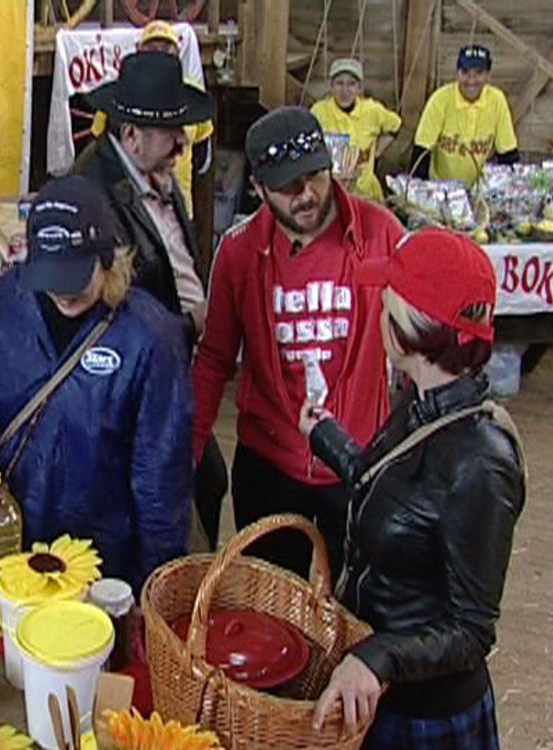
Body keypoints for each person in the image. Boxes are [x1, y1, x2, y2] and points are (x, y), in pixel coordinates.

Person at [304, 227, 526, 750]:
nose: (378, 308)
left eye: (388, 299)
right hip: (380, 683)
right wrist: (324, 436)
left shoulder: (481, 461)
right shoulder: (420, 404)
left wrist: (377, 657)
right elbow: (390, 490)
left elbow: (472, 631)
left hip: (420, 707)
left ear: (410, 326)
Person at [0, 175, 192, 595]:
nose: (62, 292)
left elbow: (159, 483)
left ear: (109, 259)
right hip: (9, 547)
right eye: (50, 275)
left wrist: (154, 589)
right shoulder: (9, 300)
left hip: (101, 566)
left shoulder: (151, 338)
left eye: (75, 276)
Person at [192, 106, 404, 580]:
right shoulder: (238, 251)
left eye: (315, 176)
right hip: (269, 465)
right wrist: (189, 449)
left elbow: (420, 335)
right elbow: (214, 359)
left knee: (358, 606)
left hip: (358, 462)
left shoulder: (381, 234)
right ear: (259, 189)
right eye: (289, 186)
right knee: (270, 609)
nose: (307, 195)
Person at [75, 50, 228, 551]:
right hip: (136, 385)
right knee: (185, 490)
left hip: (179, 366)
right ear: (131, 136)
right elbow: (105, 317)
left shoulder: (153, 174)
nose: (183, 142)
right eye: (172, 133)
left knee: (208, 480)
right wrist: (193, 324)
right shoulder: (92, 196)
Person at [89, 20, 214, 220]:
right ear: (139, 50)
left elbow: (202, 157)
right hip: (126, 210)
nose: (158, 54)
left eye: (165, 48)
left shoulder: (190, 95)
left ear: (177, 51)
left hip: (178, 207)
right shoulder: (121, 96)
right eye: (152, 48)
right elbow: (98, 149)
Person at [411, 45, 519, 187]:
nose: (471, 80)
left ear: (488, 75)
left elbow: (508, 154)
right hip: (439, 188)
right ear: (457, 73)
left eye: (479, 73)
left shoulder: (497, 101)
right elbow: (421, 150)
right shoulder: (440, 99)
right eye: (465, 72)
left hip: (478, 191)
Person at [310, 57, 402, 203]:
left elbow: (395, 125)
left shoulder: (372, 110)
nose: (345, 90)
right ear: (331, 86)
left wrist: (376, 152)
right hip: (330, 195)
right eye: (339, 83)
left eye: (351, 84)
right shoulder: (319, 112)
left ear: (359, 88)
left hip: (366, 195)